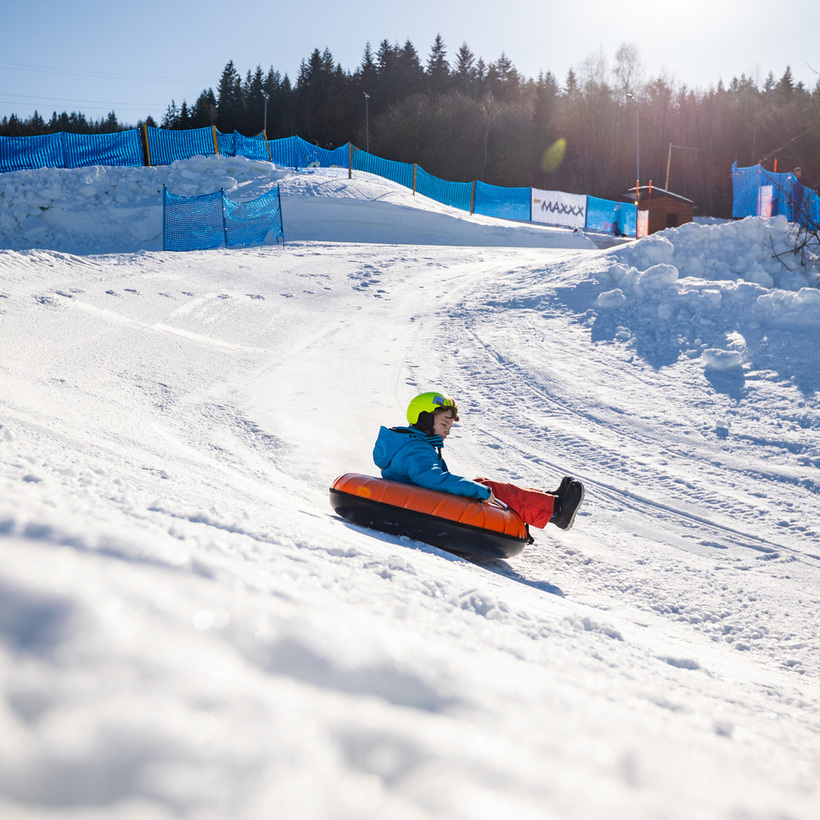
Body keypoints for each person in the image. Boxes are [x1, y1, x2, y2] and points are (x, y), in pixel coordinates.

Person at [372, 391, 585, 531]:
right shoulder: (416, 449)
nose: (447, 431)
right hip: (425, 507)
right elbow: (433, 479)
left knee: (480, 482)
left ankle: (546, 499)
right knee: (488, 489)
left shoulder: (409, 442)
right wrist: (480, 492)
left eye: (450, 427)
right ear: (425, 419)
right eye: (444, 424)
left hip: (424, 498)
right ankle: (556, 511)